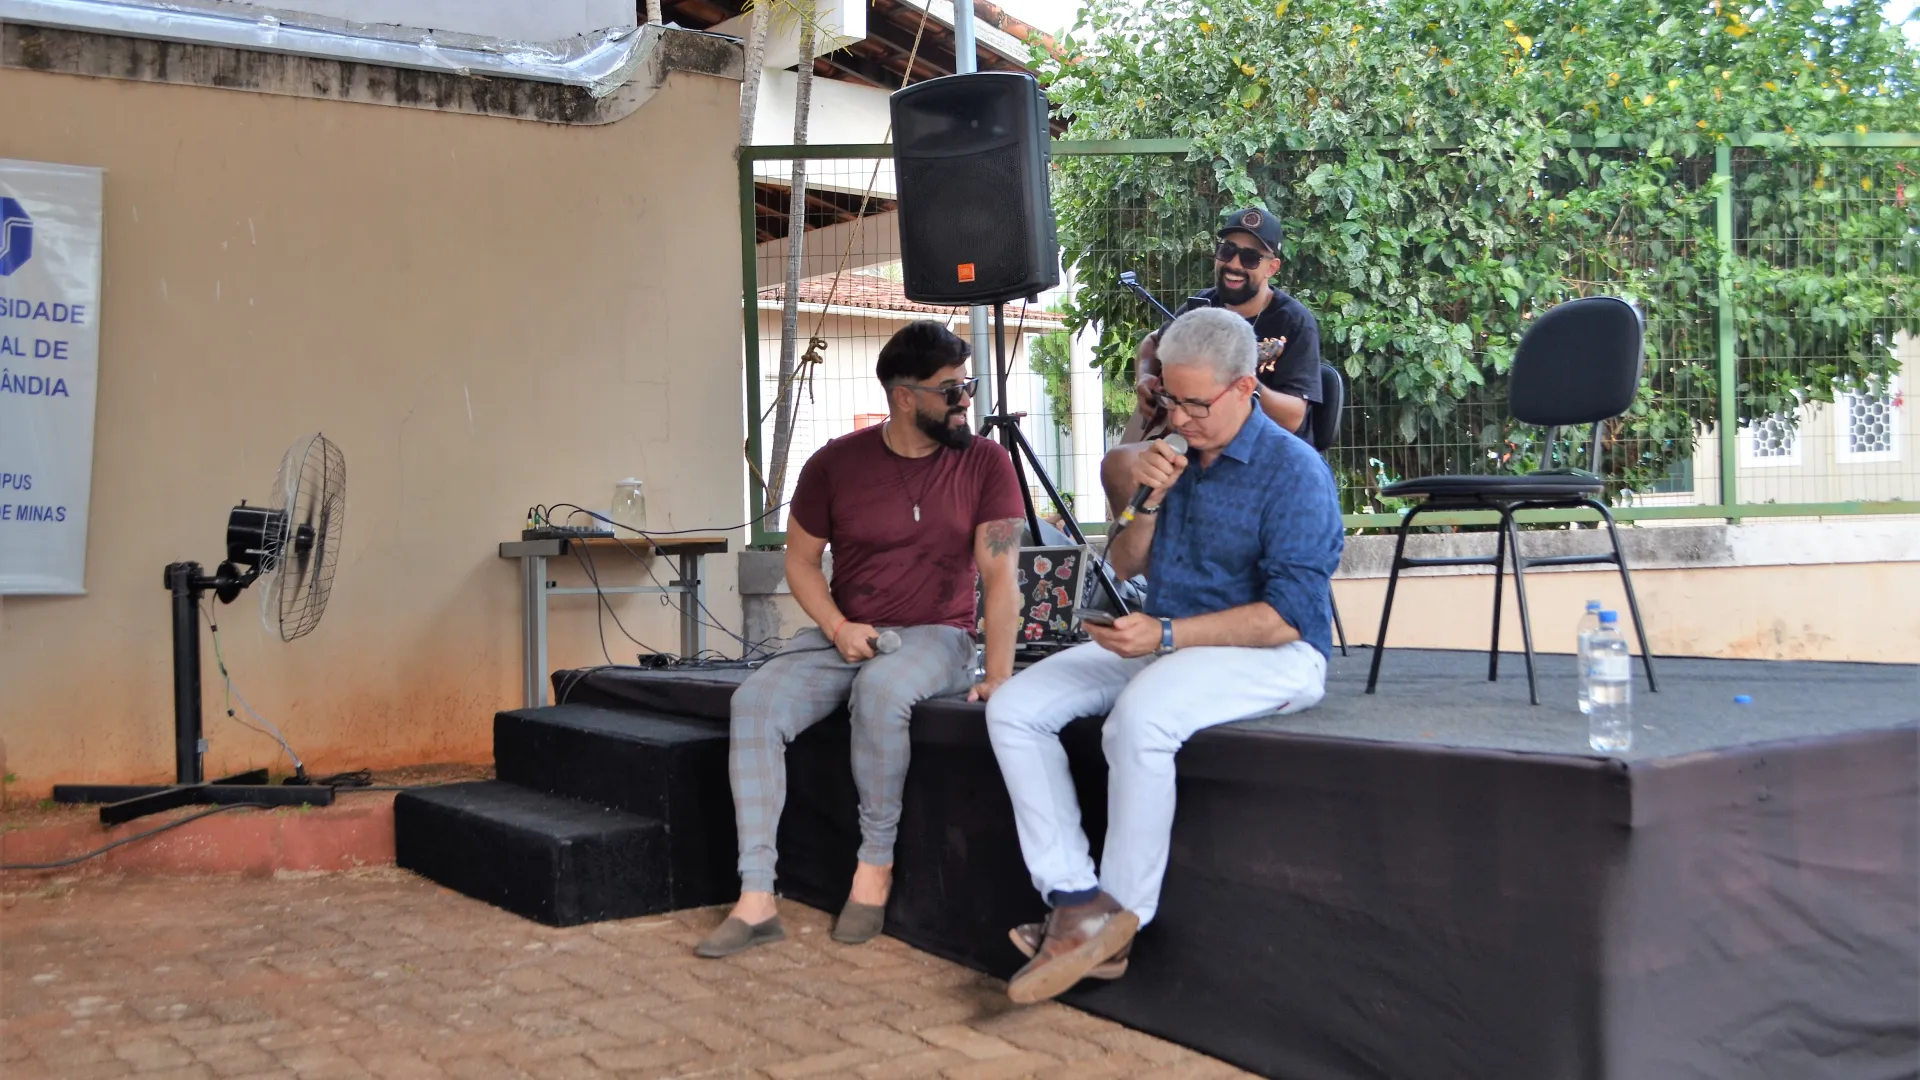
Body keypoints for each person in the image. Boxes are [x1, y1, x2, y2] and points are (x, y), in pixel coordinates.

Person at [984, 306, 1345, 1003]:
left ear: (1245, 388)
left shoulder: (1295, 473)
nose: (1178, 417)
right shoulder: (1172, 456)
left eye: (1195, 404)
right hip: (1167, 640)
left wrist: (1168, 636)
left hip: (1273, 654)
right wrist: (1146, 502)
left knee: (1139, 720)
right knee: (1014, 707)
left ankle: (1121, 919)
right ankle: (1075, 899)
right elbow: (1123, 562)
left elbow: (1288, 618)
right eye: (1167, 398)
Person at [696, 320, 1025, 958]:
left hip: (939, 636)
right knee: (753, 704)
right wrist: (838, 627)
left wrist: (1000, 676)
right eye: (951, 390)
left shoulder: (986, 462)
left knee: (881, 691)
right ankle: (756, 897)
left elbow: (1000, 577)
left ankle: (874, 869)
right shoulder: (833, 464)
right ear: (903, 397)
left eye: (967, 386)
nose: (965, 401)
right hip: (845, 636)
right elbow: (799, 563)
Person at [1102, 205, 1323, 519]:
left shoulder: (1294, 322)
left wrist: (1246, 382)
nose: (1234, 264)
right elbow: (1152, 342)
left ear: (1272, 267)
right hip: (1196, 443)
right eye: (1227, 251)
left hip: (1260, 453)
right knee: (1118, 465)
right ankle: (1137, 546)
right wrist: (1146, 377)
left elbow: (1293, 418)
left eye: (1250, 258)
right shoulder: (1203, 306)